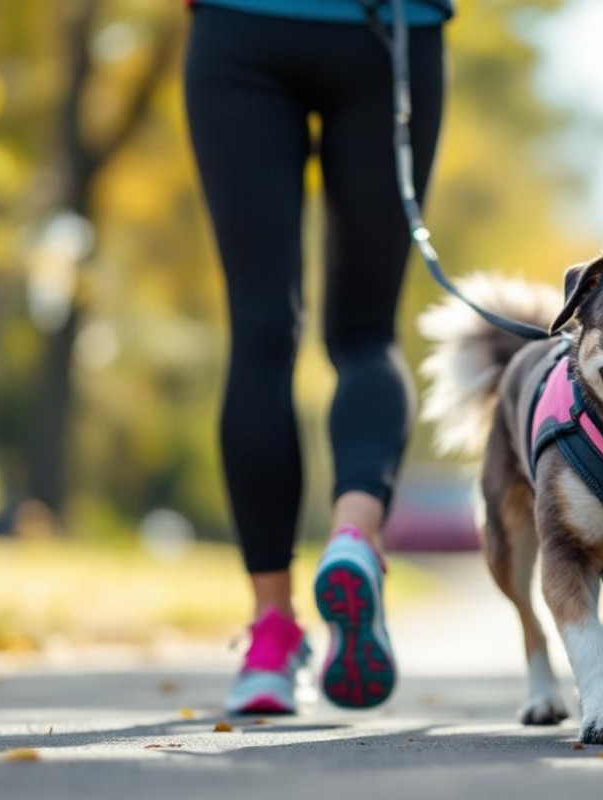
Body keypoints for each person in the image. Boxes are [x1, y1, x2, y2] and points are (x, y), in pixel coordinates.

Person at [182, 0, 452, 713]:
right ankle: (353, 534)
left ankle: (271, 637)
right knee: (366, 334)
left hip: (242, 26)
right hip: (389, 30)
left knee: (262, 334)